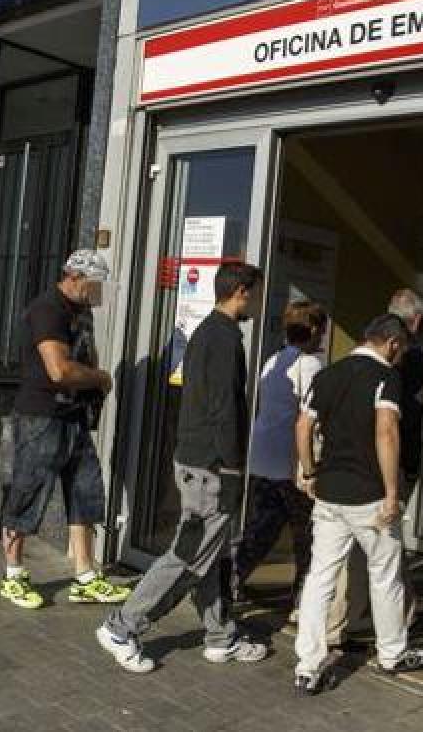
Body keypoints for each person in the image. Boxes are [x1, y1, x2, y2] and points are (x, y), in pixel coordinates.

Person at [98, 262, 269, 674]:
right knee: (190, 555)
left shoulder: (207, 332)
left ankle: (220, 637)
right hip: (211, 467)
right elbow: (224, 410)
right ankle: (122, 627)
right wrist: (232, 469)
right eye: (258, 293)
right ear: (242, 292)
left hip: (198, 462)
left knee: (211, 554)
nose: (261, 302)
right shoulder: (224, 339)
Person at [292, 314, 423, 695]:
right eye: (400, 349)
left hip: (329, 492)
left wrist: (310, 472)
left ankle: (308, 664)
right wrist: (391, 492)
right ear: (392, 343)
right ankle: (391, 654)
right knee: (384, 574)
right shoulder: (386, 377)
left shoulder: (328, 374)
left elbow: (303, 426)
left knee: (320, 576)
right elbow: (386, 432)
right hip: (369, 494)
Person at [0, 250, 131, 609]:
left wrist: (92, 384)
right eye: (95, 284)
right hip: (42, 417)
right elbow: (59, 370)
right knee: (28, 491)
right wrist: (100, 378)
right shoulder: (48, 310)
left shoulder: (80, 311)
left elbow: (84, 356)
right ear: (75, 276)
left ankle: (85, 576)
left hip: (73, 416)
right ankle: (13, 574)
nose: (98, 292)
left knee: (84, 491)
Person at [327, 288, 423, 648]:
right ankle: (388, 626)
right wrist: (394, 485)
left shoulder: (362, 351)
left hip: (350, 460)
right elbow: (390, 426)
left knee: (354, 549)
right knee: (382, 548)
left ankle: (346, 619)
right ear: (416, 321)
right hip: (385, 463)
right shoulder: (406, 359)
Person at [232, 300, 328, 622]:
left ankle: (231, 581)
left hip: (264, 457)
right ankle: (302, 600)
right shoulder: (309, 366)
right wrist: (311, 465)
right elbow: (309, 419)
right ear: (312, 329)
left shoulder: (273, 360)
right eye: (321, 330)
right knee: (306, 536)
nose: (323, 337)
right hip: (291, 462)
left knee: (263, 527)